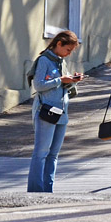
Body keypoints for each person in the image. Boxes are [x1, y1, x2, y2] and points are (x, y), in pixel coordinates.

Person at [28, 30, 82, 193]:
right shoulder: (44, 60)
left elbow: (62, 86)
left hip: (62, 113)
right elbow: (38, 85)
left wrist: (72, 81)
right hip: (46, 112)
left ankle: (48, 190)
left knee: (53, 154)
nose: (68, 54)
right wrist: (60, 80)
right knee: (41, 153)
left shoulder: (60, 61)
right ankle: (36, 191)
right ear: (59, 44)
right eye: (68, 50)